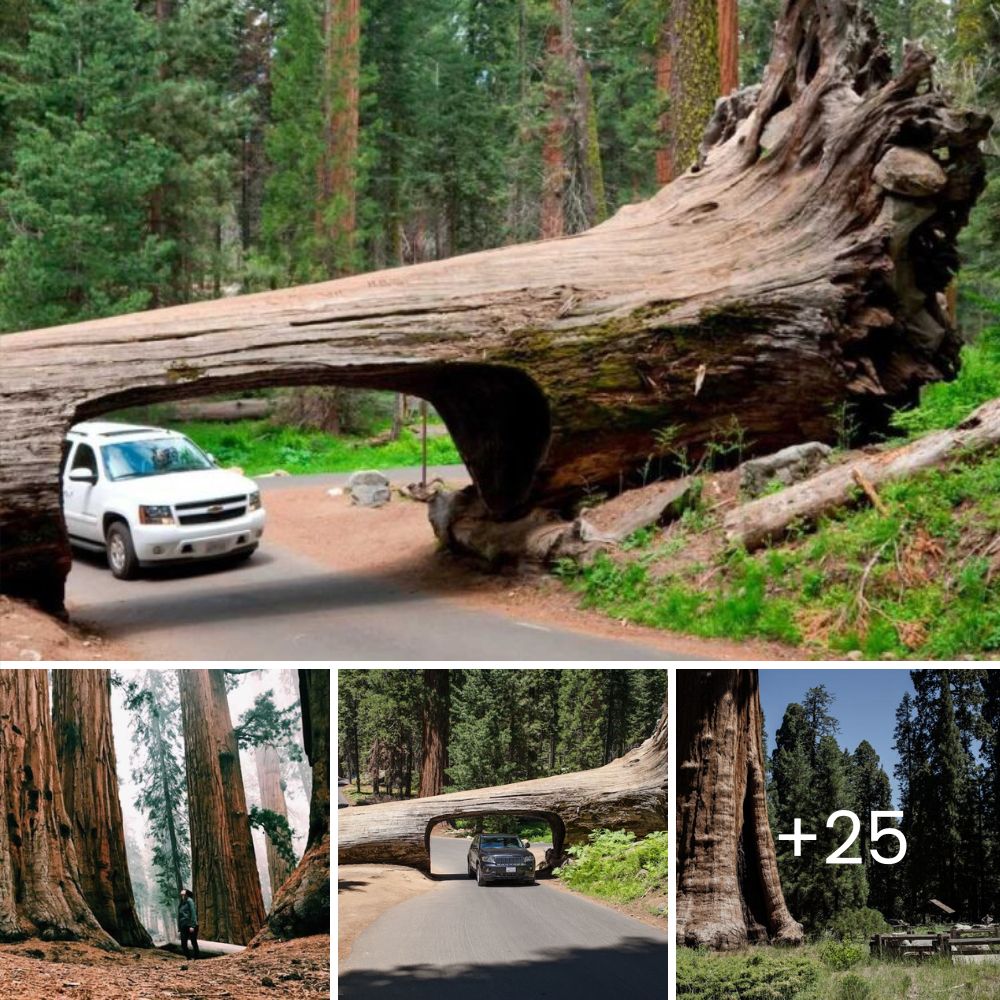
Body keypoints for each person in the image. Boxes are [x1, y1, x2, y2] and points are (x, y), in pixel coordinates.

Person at [178, 889, 200, 960]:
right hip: (183, 926)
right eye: (181, 894)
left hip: (190, 925)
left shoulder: (190, 901)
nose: (182, 895)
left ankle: (197, 958)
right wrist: (179, 927)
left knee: (193, 942)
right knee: (183, 944)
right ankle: (188, 958)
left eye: (183, 894)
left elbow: (193, 913)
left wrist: (192, 926)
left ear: (187, 894)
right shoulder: (182, 903)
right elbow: (179, 916)